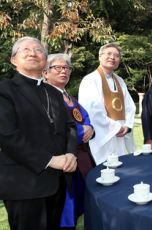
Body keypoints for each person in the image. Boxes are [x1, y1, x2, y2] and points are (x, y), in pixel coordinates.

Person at [0, 37, 77, 230]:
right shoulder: (4, 90)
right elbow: (7, 135)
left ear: (45, 61)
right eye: (25, 49)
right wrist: (50, 160)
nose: (33, 53)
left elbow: (70, 126)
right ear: (13, 60)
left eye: (38, 50)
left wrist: (70, 154)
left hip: (58, 183)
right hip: (24, 184)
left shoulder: (53, 92)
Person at [44, 53, 95, 229]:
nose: (63, 71)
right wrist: (83, 131)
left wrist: (90, 128)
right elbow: (54, 127)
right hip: (64, 159)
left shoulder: (68, 96)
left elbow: (84, 116)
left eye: (66, 68)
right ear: (45, 72)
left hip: (82, 157)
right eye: (57, 67)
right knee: (65, 208)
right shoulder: (45, 97)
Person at [78, 43, 136, 165]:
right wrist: (115, 127)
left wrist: (127, 126)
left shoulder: (120, 80)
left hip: (120, 134)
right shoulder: (90, 80)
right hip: (103, 136)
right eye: (108, 54)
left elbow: (130, 106)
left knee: (121, 169)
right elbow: (93, 110)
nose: (112, 58)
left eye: (116, 55)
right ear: (99, 56)